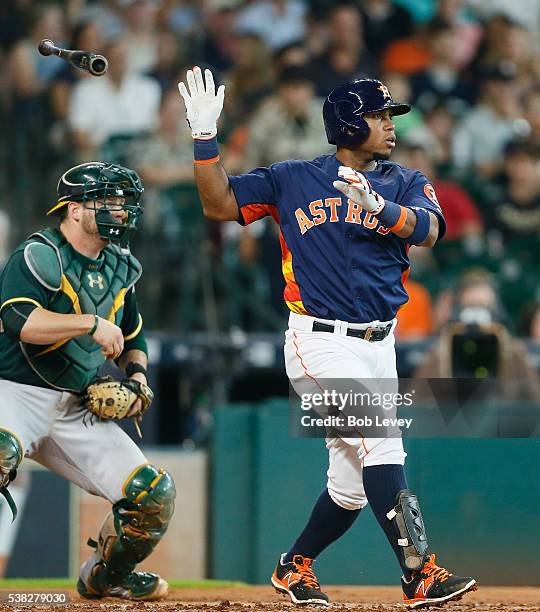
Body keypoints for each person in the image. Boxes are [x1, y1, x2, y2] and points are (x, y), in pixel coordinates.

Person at [178, 66, 477, 608]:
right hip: (318, 339)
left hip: (380, 342)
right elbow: (219, 205)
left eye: (390, 115)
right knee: (383, 442)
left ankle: (295, 566)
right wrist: (205, 140)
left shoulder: (404, 181)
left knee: (351, 487)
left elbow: (432, 230)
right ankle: (420, 574)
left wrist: (381, 210)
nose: (390, 125)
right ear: (347, 122)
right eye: (379, 115)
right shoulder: (292, 177)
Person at [0, 162, 175, 600]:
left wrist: (136, 377)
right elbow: (18, 319)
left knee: (151, 495)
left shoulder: (120, 266)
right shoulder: (39, 253)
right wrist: (89, 324)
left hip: (75, 404)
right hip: (15, 392)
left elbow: (133, 335)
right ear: (74, 210)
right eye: (108, 202)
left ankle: (106, 576)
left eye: (122, 202)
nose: (120, 210)